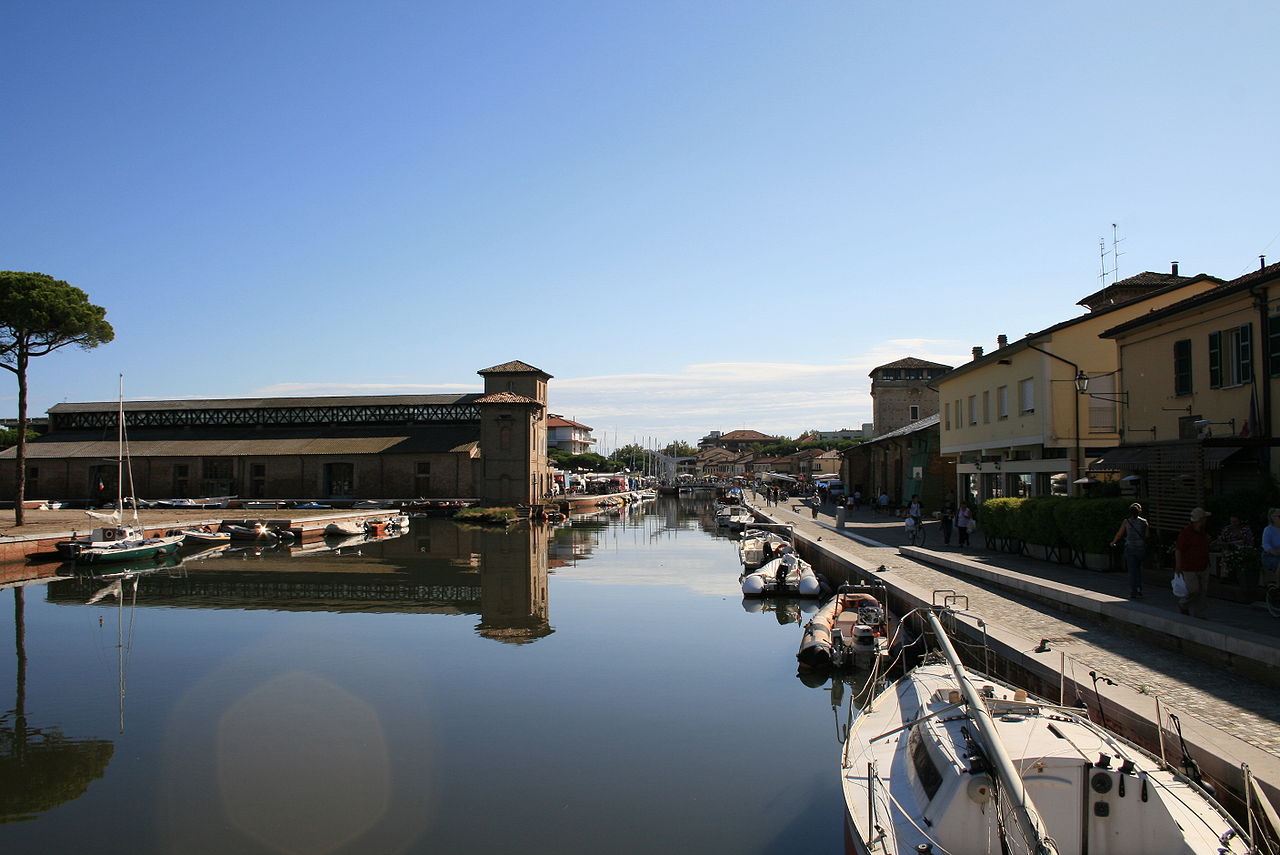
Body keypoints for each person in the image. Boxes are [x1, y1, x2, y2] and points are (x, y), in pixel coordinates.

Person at [1175, 507, 1212, 617]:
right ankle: (1183, 604)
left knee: (1203, 591)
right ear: (1200, 520)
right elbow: (1178, 549)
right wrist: (1178, 565)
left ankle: (1199, 613)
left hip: (1203, 565)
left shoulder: (1203, 533)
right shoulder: (1186, 533)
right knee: (1194, 590)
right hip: (1189, 567)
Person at [1110, 502, 1149, 599]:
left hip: (1130, 548)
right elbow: (1147, 536)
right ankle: (1139, 587)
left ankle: (1133, 590)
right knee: (1138, 569)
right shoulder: (1144, 522)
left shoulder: (1126, 522)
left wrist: (1113, 542)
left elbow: (1120, 534)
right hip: (1140, 548)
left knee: (1132, 570)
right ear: (1140, 511)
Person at [1262, 508, 1280, 586]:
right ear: (1272, 517)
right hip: (1271, 556)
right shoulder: (1268, 529)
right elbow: (1266, 545)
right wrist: (1275, 552)